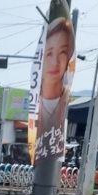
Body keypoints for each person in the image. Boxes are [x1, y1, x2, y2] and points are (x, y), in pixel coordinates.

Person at [34, 17, 75, 163]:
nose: (55, 62)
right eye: (49, 53)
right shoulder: (35, 104)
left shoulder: (66, 103)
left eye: (62, 52)